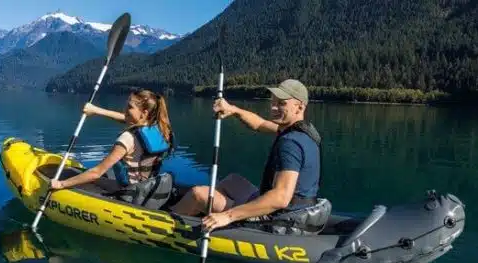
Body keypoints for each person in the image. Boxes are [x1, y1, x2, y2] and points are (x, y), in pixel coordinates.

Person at [170, 79, 325, 233]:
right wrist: (233, 110)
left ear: (299, 107)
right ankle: (201, 213)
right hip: (296, 208)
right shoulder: (301, 131)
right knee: (232, 180)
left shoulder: (290, 143)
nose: (273, 107)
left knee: (198, 194)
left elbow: (281, 197)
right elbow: (260, 124)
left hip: (279, 218)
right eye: (273, 102)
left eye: (281, 103)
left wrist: (228, 216)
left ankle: (167, 220)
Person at [49, 89, 175, 207]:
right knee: (96, 178)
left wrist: (60, 184)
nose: (125, 110)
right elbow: (126, 118)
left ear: (144, 113)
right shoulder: (163, 130)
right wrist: (96, 111)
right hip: (145, 188)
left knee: (89, 178)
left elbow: (96, 173)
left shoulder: (128, 138)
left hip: (128, 194)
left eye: (129, 107)